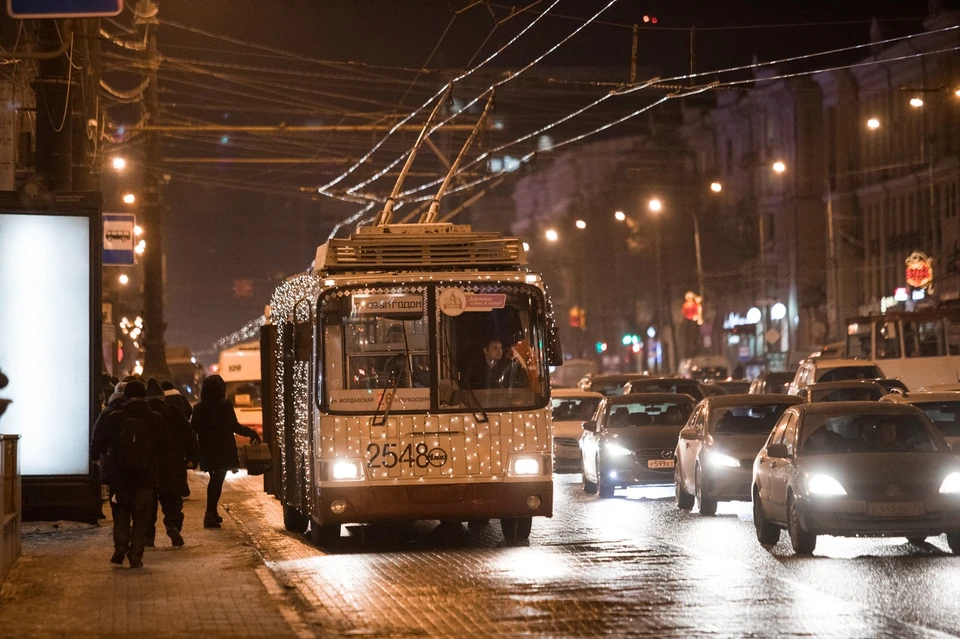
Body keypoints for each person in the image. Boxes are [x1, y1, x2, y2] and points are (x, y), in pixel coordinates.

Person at [90, 380, 168, 568]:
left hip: (120, 478)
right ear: (144, 396)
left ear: (126, 396)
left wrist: (97, 458)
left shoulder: (115, 417)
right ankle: (135, 555)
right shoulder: (155, 418)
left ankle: (120, 547)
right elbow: (165, 447)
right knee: (142, 518)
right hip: (146, 479)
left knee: (121, 513)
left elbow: (99, 441)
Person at [191, 374, 261, 528]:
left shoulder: (198, 408)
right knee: (216, 481)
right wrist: (251, 433)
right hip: (223, 449)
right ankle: (210, 514)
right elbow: (233, 426)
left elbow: (193, 428)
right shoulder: (224, 405)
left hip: (207, 449)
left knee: (215, 479)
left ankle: (212, 513)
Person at [145, 378, 200, 547]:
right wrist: (192, 457)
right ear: (162, 397)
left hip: (148, 466)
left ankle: (148, 535)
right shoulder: (174, 413)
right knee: (172, 499)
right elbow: (189, 436)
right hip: (172, 463)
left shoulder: (143, 415)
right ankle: (172, 525)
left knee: (148, 502)